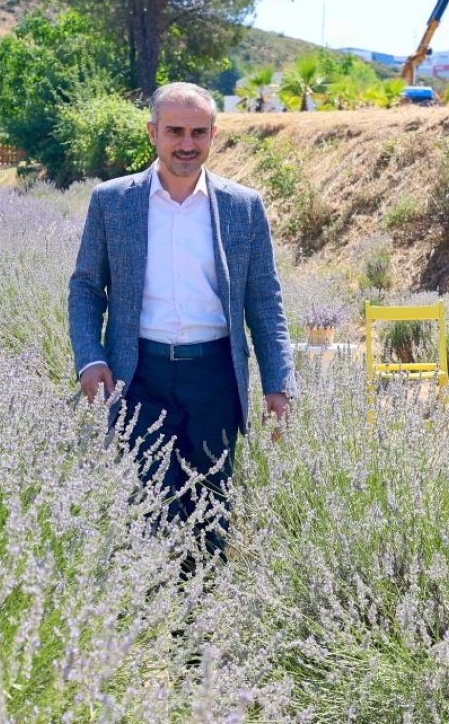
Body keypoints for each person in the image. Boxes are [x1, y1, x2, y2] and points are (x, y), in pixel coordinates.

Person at [67, 81, 295, 556]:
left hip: (215, 380)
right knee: (148, 513)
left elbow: (265, 300)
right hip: (139, 377)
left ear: (214, 134)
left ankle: (203, 624)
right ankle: (153, 622)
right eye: (175, 131)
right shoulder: (113, 201)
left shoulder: (242, 206)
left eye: (198, 132)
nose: (187, 144)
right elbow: (86, 288)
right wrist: (90, 360)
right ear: (153, 132)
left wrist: (279, 383)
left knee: (210, 513)